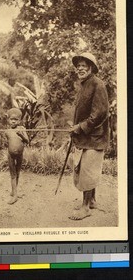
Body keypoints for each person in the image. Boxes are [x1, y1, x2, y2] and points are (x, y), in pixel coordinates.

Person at [69, 52, 109, 220]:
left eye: (84, 66)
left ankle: (85, 208)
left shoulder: (97, 84)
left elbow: (99, 113)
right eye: (78, 67)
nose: (80, 69)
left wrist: (80, 127)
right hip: (86, 138)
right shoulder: (84, 85)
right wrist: (75, 127)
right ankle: (91, 200)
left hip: (94, 138)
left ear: (91, 68)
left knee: (87, 170)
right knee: (86, 168)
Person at [5, 108, 29, 204]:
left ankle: (14, 191)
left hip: (20, 154)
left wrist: (22, 135)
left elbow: (27, 141)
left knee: (18, 173)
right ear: (8, 120)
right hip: (10, 155)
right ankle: (14, 195)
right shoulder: (7, 131)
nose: (13, 121)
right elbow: (9, 142)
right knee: (13, 175)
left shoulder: (22, 129)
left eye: (16, 119)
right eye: (12, 119)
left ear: (20, 120)